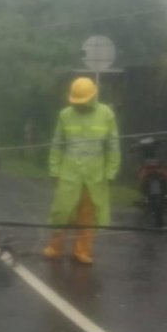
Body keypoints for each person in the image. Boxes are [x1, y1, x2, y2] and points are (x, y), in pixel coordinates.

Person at [42, 76, 121, 265]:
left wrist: (111, 172)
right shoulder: (65, 115)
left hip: (94, 177)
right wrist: (54, 170)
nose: (80, 105)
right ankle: (55, 247)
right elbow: (57, 145)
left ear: (93, 97)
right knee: (62, 212)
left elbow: (112, 146)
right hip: (69, 174)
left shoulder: (106, 114)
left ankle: (82, 251)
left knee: (88, 216)